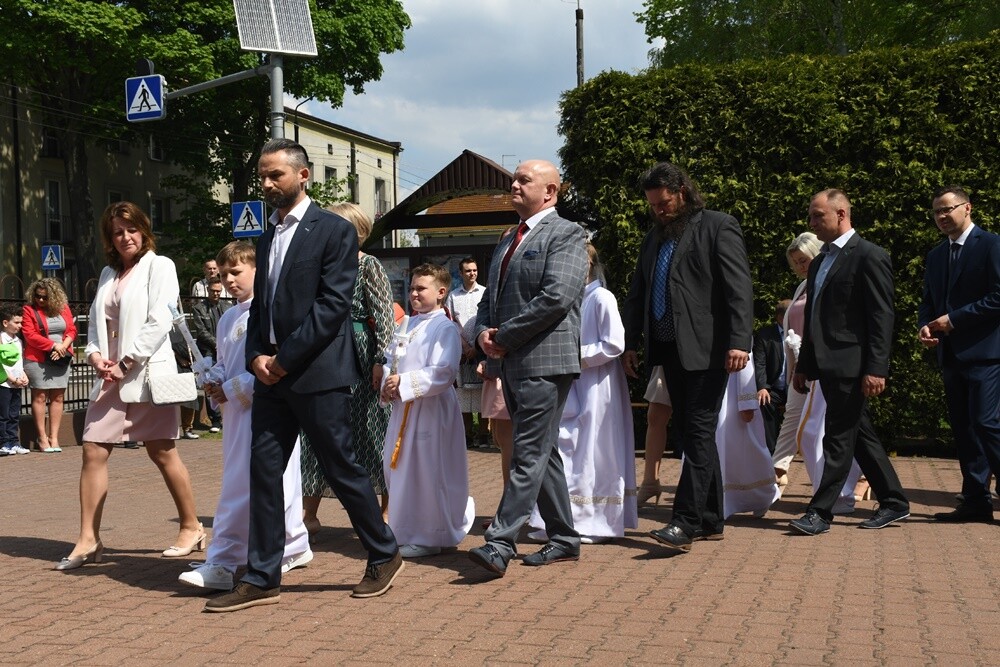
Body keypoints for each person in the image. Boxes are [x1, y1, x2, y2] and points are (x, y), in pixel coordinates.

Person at [204, 139, 400, 612]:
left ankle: (383, 552)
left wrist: (284, 360)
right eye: (263, 176)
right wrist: (256, 355)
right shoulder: (268, 235)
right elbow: (261, 308)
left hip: (317, 372)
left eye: (276, 174)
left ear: (303, 175)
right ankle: (262, 576)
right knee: (264, 471)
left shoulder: (333, 231)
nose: (267, 183)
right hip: (271, 376)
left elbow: (332, 307)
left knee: (340, 467)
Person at [55, 201, 202, 570]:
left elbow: (160, 320)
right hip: (110, 376)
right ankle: (89, 538)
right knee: (93, 449)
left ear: (143, 230)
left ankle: (191, 526)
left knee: (162, 451)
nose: (125, 237)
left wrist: (127, 362)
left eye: (131, 229)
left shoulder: (160, 266)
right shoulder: (108, 273)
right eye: (117, 232)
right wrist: (94, 356)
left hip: (145, 373)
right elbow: (96, 326)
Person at [622, 161, 754, 554]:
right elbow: (638, 292)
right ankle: (711, 519)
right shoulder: (654, 238)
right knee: (693, 432)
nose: (659, 211)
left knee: (696, 431)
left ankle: (685, 522)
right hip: (668, 351)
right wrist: (631, 343)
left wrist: (739, 342)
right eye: (653, 206)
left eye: (663, 203)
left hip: (708, 350)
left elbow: (738, 287)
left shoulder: (718, 225)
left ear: (682, 192)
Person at [468, 159, 589, 577]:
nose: (514, 186)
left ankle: (500, 542)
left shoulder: (567, 233)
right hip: (512, 361)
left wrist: (503, 336)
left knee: (527, 452)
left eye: (524, 180)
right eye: (513, 180)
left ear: (550, 192)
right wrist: (482, 333)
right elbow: (490, 298)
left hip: (546, 361)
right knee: (542, 451)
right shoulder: (508, 237)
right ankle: (564, 538)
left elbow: (556, 297)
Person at [179, 241, 312, 590]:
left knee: (257, 482)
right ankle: (292, 543)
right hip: (238, 416)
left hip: (269, 407)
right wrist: (215, 378)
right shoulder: (227, 317)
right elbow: (227, 362)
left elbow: (279, 364)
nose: (229, 280)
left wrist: (233, 387)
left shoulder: (272, 311)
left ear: (258, 269)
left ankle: (225, 559)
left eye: (236, 272)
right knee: (247, 479)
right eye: (224, 274)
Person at [789, 189, 910, 535]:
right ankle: (894, 502)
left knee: (838, 436)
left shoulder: (870, 256)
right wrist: (804, 365)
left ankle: (820, 512)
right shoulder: (819, 262)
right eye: (811, 216)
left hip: (853, 366)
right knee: (859, 435)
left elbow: (881, 317)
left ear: (841, 214)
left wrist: (876, 368)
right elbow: (814, 318)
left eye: (818, 216)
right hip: (825, 365)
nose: (812, 222)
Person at [528, 244, 637, 543]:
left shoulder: (602, 298)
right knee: (568, 448)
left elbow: (614, 344)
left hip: (597, 386)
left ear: (591, 264)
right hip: (572, 382)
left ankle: (597, 523)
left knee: (594, 451)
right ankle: (562, 520)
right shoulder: (569, 298)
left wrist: (574, 356)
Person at [300, 202, 395, 533]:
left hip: (360, 354)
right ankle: (309, 514)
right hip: (324, 351)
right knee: (318, 431)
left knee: (373, 431)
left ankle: (386, 511)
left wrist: (381, 360)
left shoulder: (368, 264)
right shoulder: (321, 266)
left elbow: (384, 316)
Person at [379, 264, 475, 558]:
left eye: (421, 288)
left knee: (428, 471)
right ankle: (407, 530)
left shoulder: (444, 327)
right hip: (404, 408)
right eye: (412, 288)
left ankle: (430, 536)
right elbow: (390, 360)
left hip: (432, 410)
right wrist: (387, 382)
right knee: (401, 469)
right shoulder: (407, 324)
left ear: (441, 292)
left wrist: (404, 382)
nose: (413, 294)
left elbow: (444, 371)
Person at [918, 185, 1000, 523]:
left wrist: (954, 320)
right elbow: (929, 301)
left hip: (986, 354)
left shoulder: (992, 245)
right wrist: (925, 327)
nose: (941, 216)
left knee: (986, 423)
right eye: (937, 211)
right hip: (950, 355)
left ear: (968, 208)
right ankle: (976, 501)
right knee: (964, 430)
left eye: (947, 209)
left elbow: (998, 297)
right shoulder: (936, 255)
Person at [774, 233, 861, 511]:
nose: (800, 267)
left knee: (819, 430)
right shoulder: (803, 286)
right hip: (801, 367)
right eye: (796, 263)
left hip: (824, 367)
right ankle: (777, 470)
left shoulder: (827, 281)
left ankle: (852, 481)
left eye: (804, 260)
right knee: (794, 421)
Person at [715, 351, 780, 518]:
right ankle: (721, 501)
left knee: (748, 452)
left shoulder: (736, 338)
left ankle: (763, 497)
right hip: (716, 400)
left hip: (734, 403)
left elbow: (745, 361)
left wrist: (747, 402)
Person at [22, 278, 77, 453]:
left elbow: (71, 330)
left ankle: (54, 437)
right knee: (40, 396)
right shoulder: (29, 310)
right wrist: (53, 345)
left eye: (45, 297)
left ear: (53, 296)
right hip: (38, 358)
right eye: (37, 296)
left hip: (61, 357)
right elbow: (30, 335)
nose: (40, 300)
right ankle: (42, 437)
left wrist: (63, 347)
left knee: (58, 397)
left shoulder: (63, 308)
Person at [444, 257, 489, 448]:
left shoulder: (485, 292)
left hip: (482, 350)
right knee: (463, 395)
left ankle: (484, 435)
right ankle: (467, 436)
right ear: (461, 273)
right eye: (468, 270)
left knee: (482, 395)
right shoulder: (453, 296)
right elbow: (450, 321)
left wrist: (477, 347)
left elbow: (488, 319)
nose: (472, 273)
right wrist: (465, 346)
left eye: (475, 270)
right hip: (462, 352)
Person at [191, 275, 231, 432]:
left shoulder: (227, 307)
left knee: (227, 379)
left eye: (219, 291)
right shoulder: (199, 308)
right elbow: (201, 332)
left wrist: (224, 345)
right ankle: (215, 420)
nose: (216, 293)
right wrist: (217, 344)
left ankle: (226, 415)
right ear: (207, 289)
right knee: (210, 382)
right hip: (208, 351)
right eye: (213, 291)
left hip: (225, 349)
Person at [754, 300, 789, 455]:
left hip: (797, 388)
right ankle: (771, 451)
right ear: (781, 318)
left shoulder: (803, 332)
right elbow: (759, 363)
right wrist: (762, 387)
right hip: (774, 388)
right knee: (764, 401)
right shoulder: (765, 335)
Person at [637, 368, 672, 507]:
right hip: (667, 359)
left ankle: (694, 488)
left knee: (695, 421)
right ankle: (650, 481)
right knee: (656, 414)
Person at [0, 306, 29, 456]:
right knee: (3, 415)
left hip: (16, 384)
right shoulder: (1, 339)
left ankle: (14, 442)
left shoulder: (18, 341)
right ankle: (3, 443)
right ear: (5, 323)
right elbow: (1, 365)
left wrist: (23, 376)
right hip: (4, 384)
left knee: (13, 414)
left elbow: (19, 363)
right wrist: (12, 379)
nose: (20, 326)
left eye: (21, 322)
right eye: (16, 322)